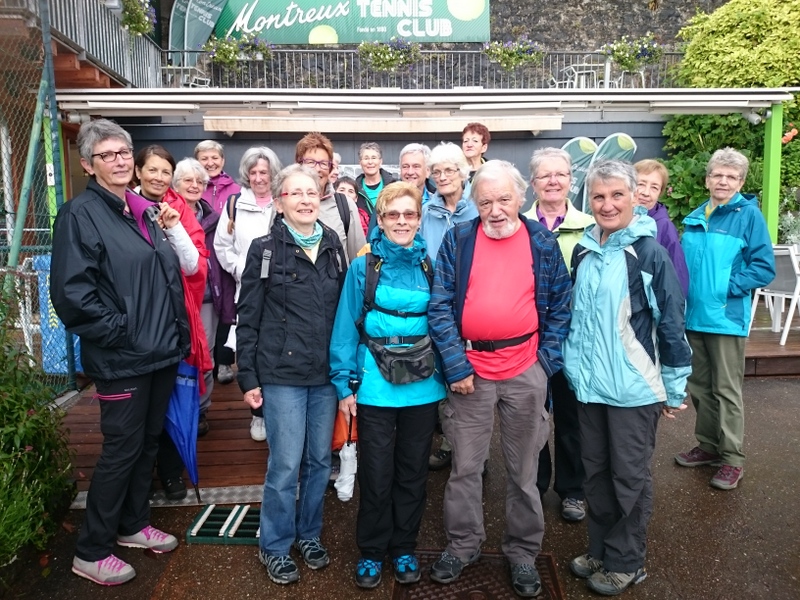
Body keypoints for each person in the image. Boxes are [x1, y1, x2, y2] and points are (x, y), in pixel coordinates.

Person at [51, 119, 189, 585]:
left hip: (159, 351)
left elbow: (164, 275)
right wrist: (124, 332)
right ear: (88, 165)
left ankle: (132, 524)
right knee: (121, 450)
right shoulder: (80, 214)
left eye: (124, 152)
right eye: (106, 155)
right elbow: (73, 295)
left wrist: (168, 335)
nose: (119, 160)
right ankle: (91, 550)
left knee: (146, 444)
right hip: (123, 355)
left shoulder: (140, 209)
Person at [427, 160, 571, 598]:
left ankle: (523, 553)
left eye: (504, 199)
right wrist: (456, 366)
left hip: (526, 369)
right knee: (465, 469)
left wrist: (544, 365)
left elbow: (561, 307)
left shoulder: (542, 241)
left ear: (521, 198)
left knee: (524, 472)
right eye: (485, 201)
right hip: (470, 373)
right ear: (475, 203)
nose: (495, 210)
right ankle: (463, 544)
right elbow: (439, 306)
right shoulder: (459, 239)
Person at [563, 159, 692, 596]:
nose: (607, 204)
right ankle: (601, 550)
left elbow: (671, 322)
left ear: (635, 197)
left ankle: (627, 561)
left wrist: (673, 388)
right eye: (598, 196)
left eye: (617, 195)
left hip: (634, 390)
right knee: (595, 475)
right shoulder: (584, 250)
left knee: (628, 479)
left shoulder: (648, 253)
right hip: (590, 387)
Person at [329, 182, 446, 589]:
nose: (401, 221)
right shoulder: (363, 268)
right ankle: (372, 550)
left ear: (419, 219)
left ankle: (404, 547)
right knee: (376, 472)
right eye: (393, 214)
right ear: (380, 219)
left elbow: (443, 324)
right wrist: (344, 386)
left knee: (413, 472)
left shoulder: (431, 265)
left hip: (423, 387)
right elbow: (345, 328)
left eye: (409, 214)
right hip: (375, 386)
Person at [237, 164, 347, 586]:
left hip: (324, 374)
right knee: (285, 464)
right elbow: (248, 316)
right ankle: (275, 546)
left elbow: (344, 313)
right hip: (281, 374)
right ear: (280, 202)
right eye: (295, 193)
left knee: (319, 461)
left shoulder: (333, 243)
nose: (305, 199)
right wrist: (248, 377)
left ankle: (309, 534)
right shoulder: (264, 249)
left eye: (311, 192)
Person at [675, 148, 775, 490]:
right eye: (718, 174)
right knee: (700, 388)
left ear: (741, 183)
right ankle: (708, 446)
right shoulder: (694, 217)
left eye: (732, 177)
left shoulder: (749, 216)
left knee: (726, 390)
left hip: (725, 317)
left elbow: (763, 267)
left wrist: (723, 289)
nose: (723, 181)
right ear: (707, 180)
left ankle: (732, 458)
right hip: (693, 317)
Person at [134, 145, 211, 501]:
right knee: (138, 406)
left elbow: (194, 265)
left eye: (165, 171)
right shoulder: (121, 208)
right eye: (152, 170)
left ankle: (169, 470)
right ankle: (138, 475)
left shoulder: (179, 210)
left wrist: (175, 227)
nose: (159, 177)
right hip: (134, 319)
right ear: (138, 171)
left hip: (171, 318)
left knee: (171, 397)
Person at [523, 147, 594, 523]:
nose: (553, 181)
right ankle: (533, 485)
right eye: (545, 175)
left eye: (560, 174)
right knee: (532, 416)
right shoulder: (518, 225)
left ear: (571, 180)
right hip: (528, 339)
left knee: (571, 418)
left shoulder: (590, 226)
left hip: (574, 340)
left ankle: (573, 490)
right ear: (532, 182)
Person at [214, 146, 282, 442]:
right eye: (253, 172)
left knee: (275, 347)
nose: (258, 178)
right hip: (248, 291)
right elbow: (222, 245)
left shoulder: (282, 201)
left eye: (263, 172)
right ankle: (258, 414)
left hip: (281, 290)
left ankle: (277, 408)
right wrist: (241, 269)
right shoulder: (235, 204)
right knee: (250, 348)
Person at [421, 142, 478, 471]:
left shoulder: (478, 206)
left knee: (472, 382)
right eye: (436, 171)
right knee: (444, 376)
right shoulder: (427, 211)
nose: (442, 177)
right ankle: (450, 443)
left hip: (472, 303)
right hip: (437, 304)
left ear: (463, 172)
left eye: (449, 170)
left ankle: (476, 453)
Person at [173, 158, 221, 437]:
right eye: (188, 180)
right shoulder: (165, 211)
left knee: (206, 354)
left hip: (207, 297)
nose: (194, 186)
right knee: (182, 355)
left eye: (199, 181)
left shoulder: (213, 216)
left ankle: (201, 409)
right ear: (175, 184)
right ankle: (180, 409)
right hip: (177, 298)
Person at [195, 140, 240, 385]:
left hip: (226, 258)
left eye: (215, 158)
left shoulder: (235, 189)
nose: (210, 163)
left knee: (227, 310)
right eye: (204, 158)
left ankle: (224, 360)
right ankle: (206, 360)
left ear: (223, 160)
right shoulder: (192, 185)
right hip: (201, 259)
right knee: (205, 311)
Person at [296, 132, 366, 263]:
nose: (317, 169)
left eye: (323, 163)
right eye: (310, 162)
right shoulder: (285, 203)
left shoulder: (345, 205)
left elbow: (360, 261)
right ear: (299, 165)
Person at [633, 159, 690, 297]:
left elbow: (678, 277)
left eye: (654, 188)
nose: (646, 193)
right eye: (641, 184)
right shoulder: (615, 219)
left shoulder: (664, 227)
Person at [355, 142, 396, 217]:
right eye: (366, 158)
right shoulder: (354, 189)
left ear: (380, 161)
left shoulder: (394, 186)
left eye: (374, 158)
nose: (370, 162)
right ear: (360, 163)